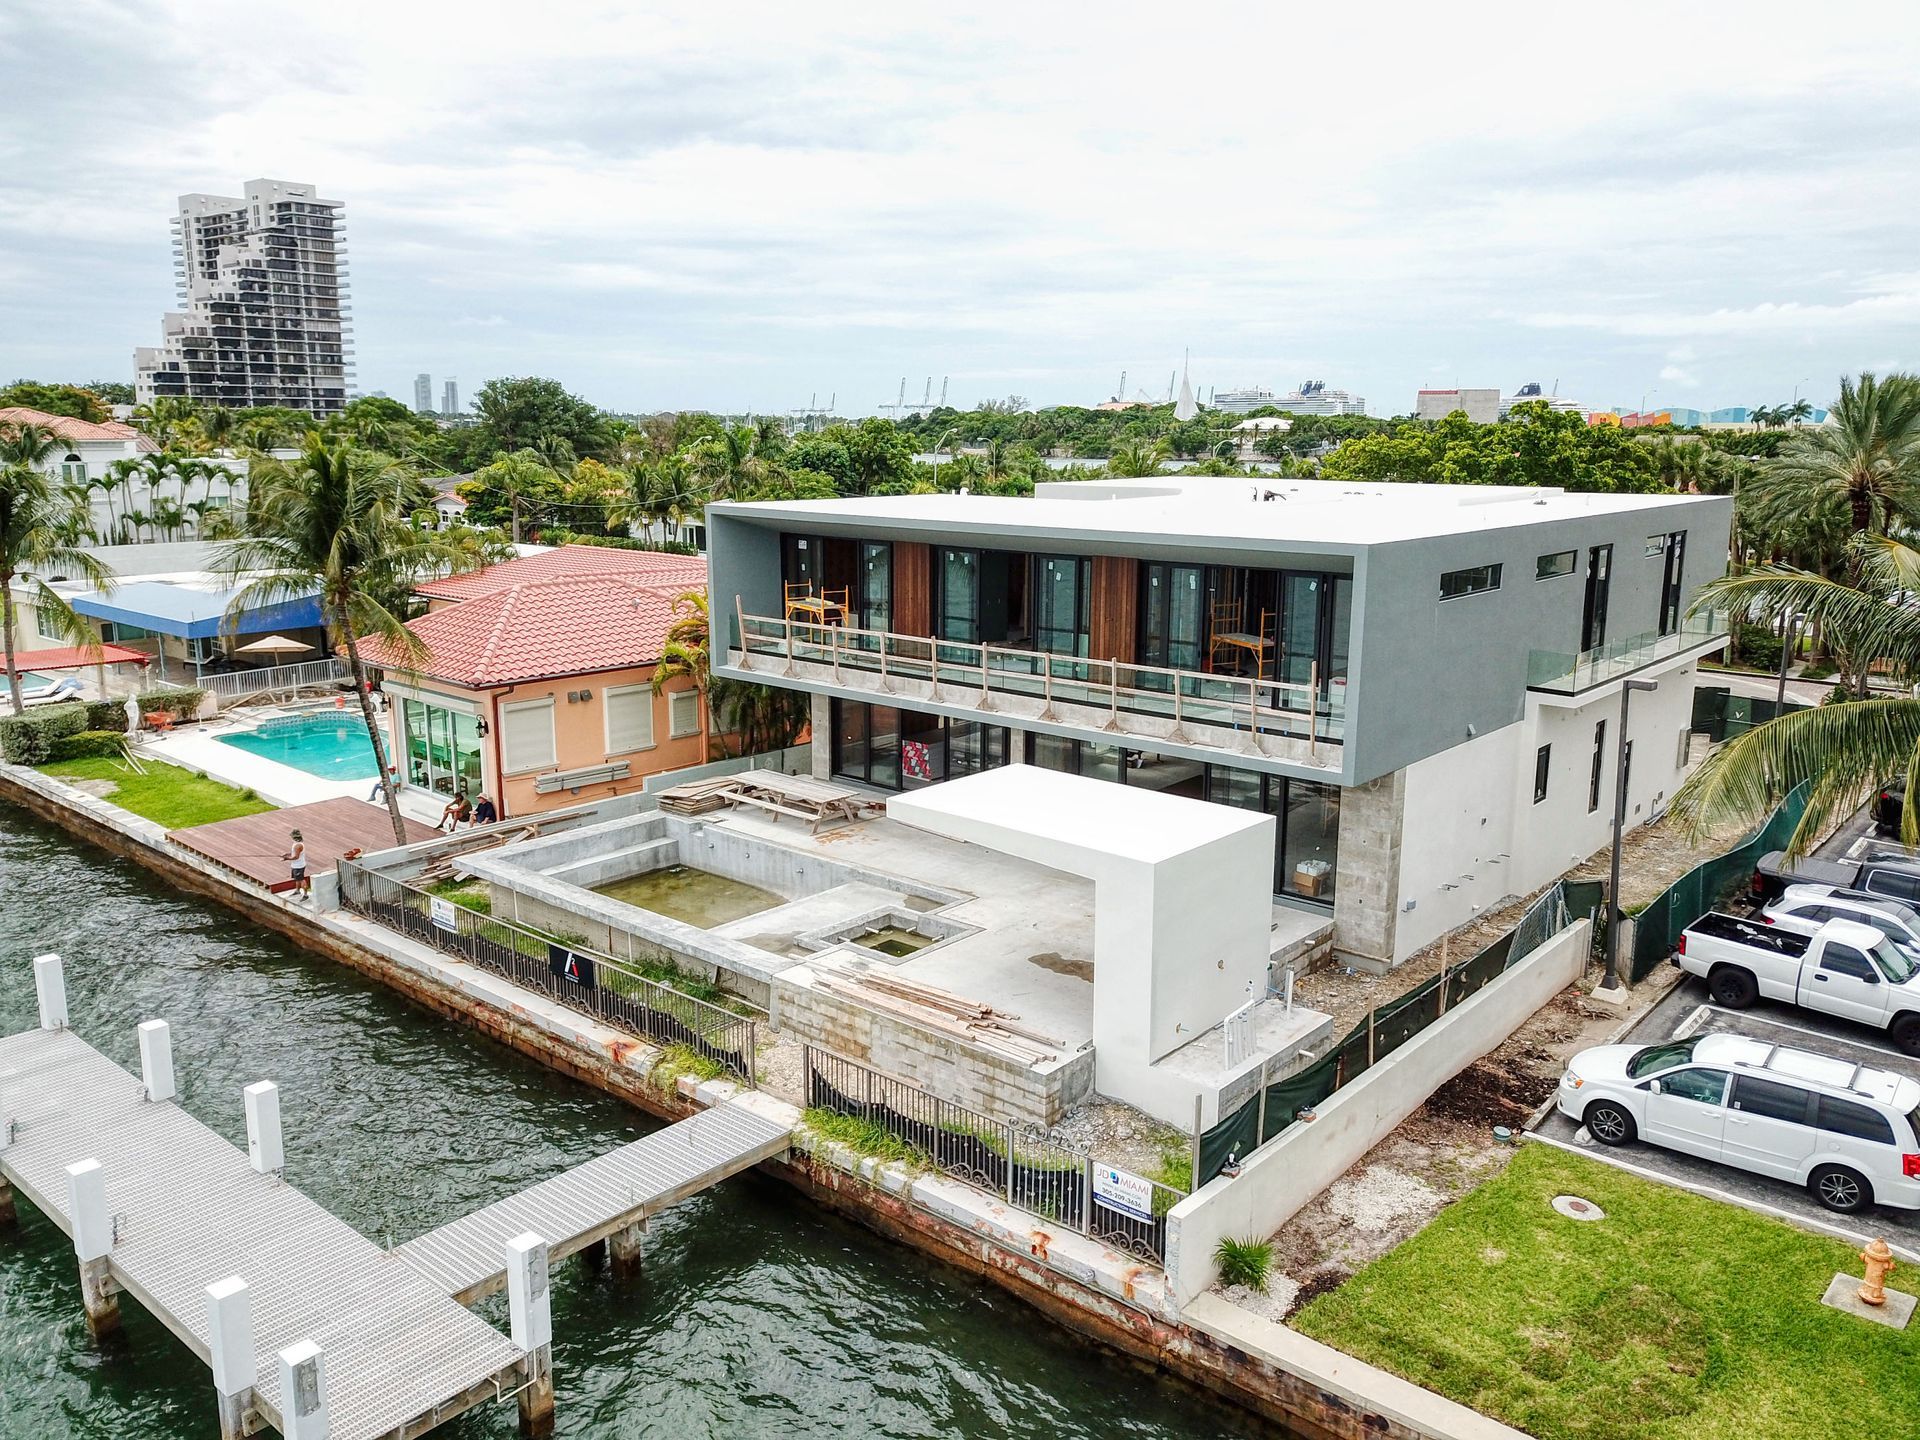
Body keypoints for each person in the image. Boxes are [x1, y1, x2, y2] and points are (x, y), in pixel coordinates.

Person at [283, 829, 310, 902]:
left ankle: (305, 895)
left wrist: (286, 858)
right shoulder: (298, 844)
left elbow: (296, 857)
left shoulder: (297, 846)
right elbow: (294, 853)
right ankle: (297, 890)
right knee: (297, 879)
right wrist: (288, 854)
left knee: (301, 880)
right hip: (296, 865)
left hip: (298, 866)